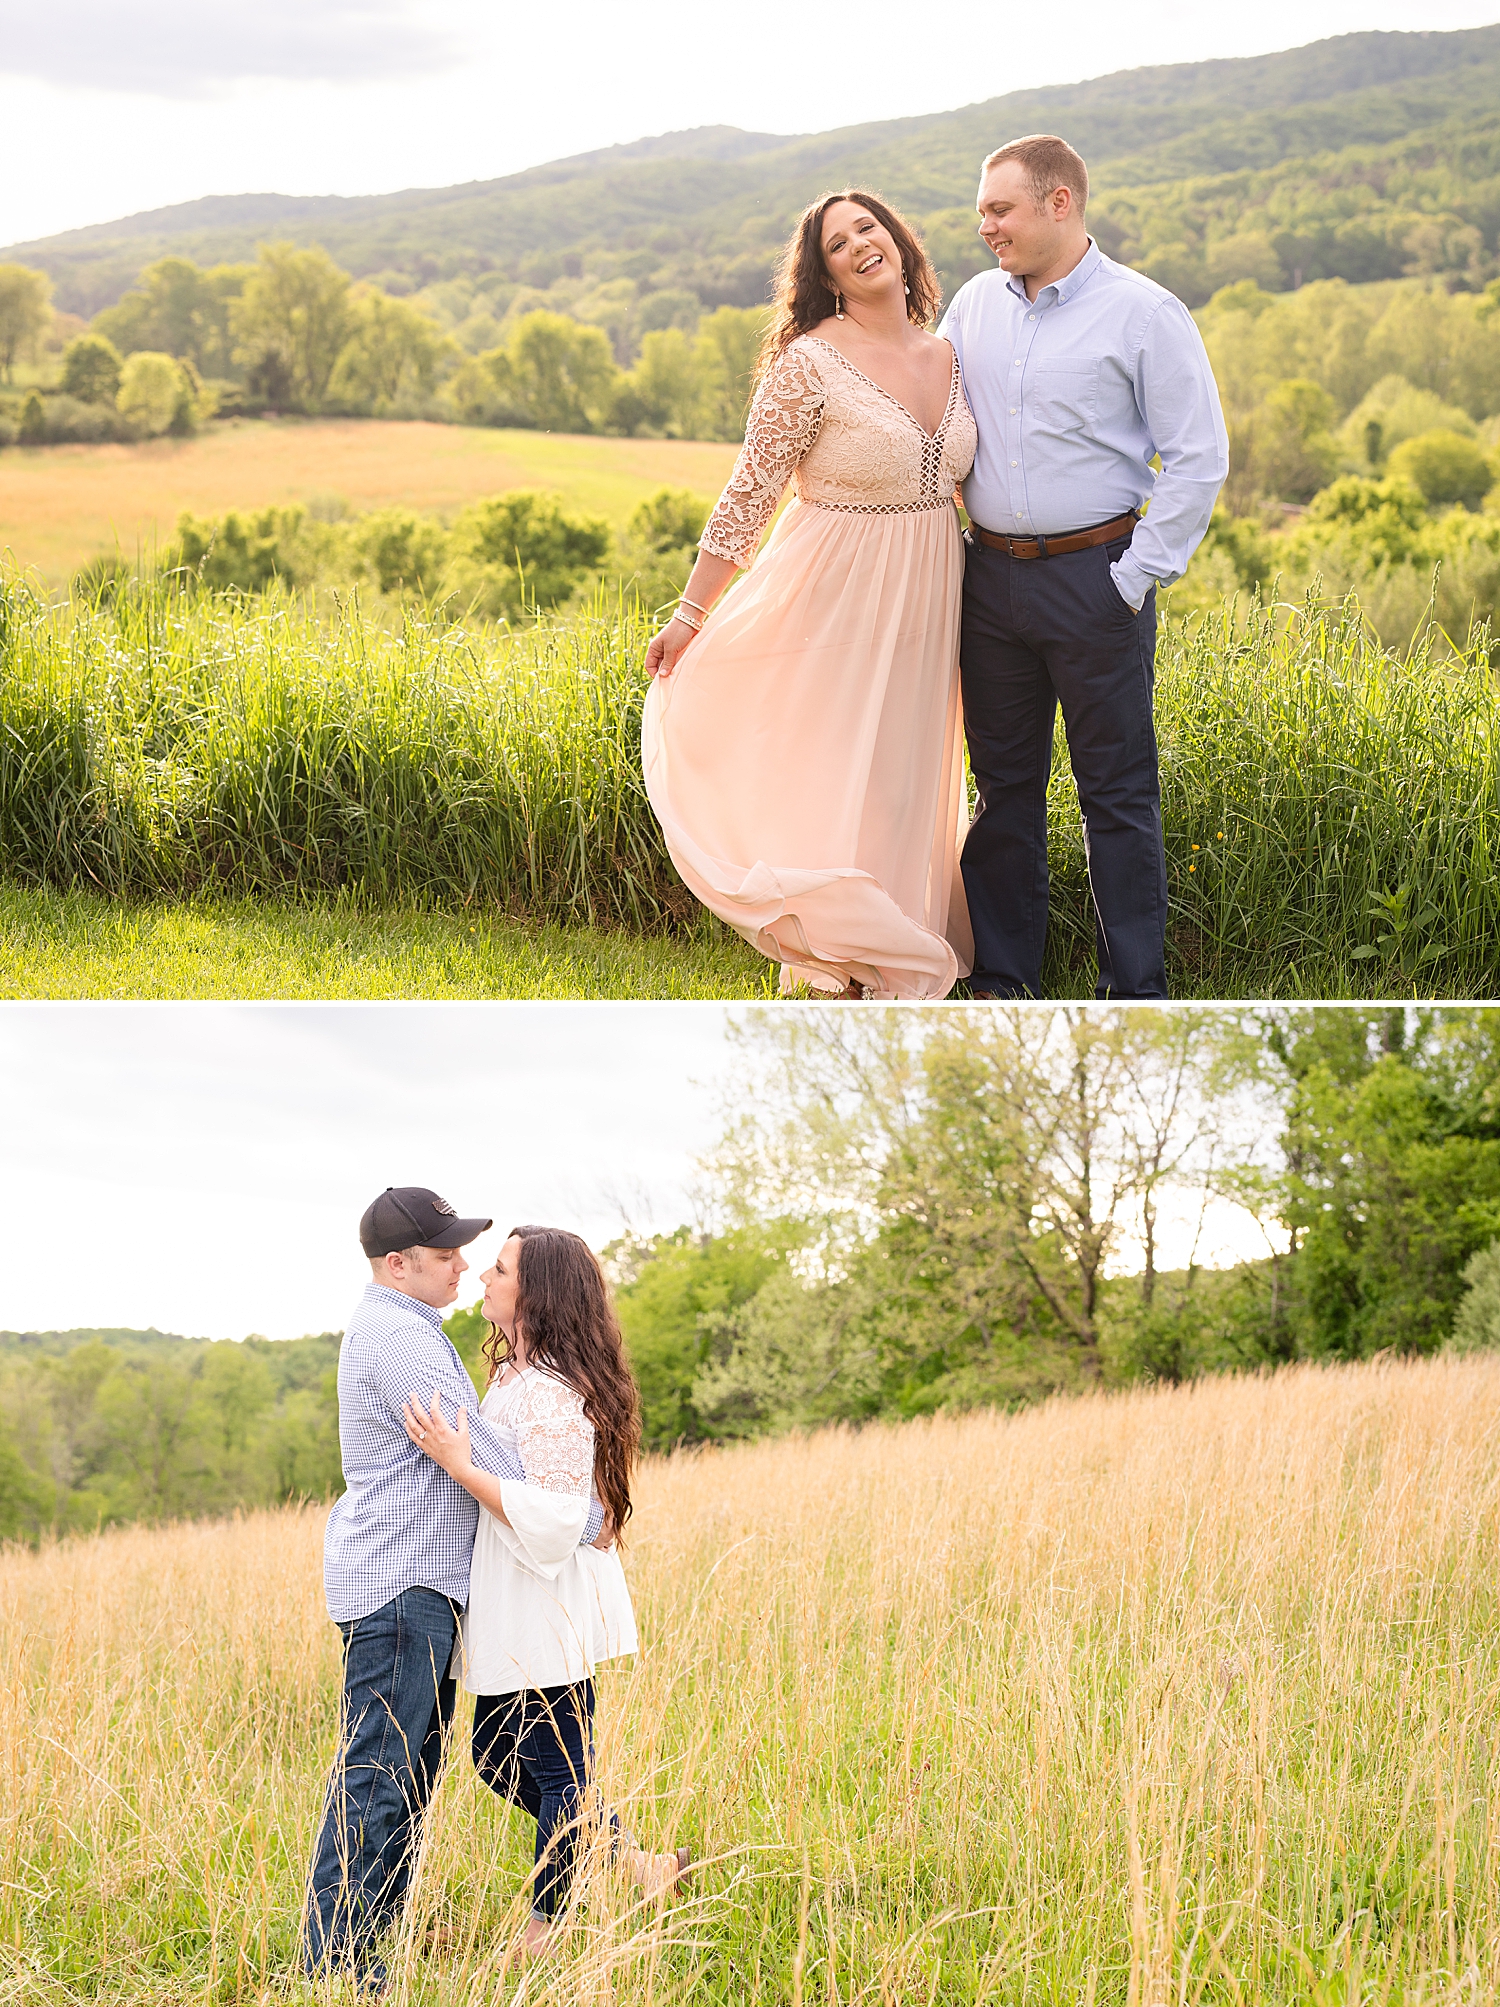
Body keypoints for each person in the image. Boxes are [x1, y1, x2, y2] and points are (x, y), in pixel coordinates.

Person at [641, 188, 977, 1001]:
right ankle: (843, 955)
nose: (862, 244)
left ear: (897, 239)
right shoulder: (809, 362)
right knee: (838, 768)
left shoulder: (951, 354)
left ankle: (897, 936)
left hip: (935, 593)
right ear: (823, 274)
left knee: (903, 772)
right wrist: (691, 614)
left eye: (869, 227)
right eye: (838, 243)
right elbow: (749, 493)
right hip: (834, 591)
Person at [939, 133, 1229, 1000]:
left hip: (1095, 580)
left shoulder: (1146, 313)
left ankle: (1135, 990)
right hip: (987, 584)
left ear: (1059, 203)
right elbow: (933, 409)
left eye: (1000, 208)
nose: (983, 224)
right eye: (983, 208)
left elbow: (1200, 458)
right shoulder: (972, 305)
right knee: (1003, 794)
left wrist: (1132, 579)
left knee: (1117, 795)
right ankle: (1002, 982)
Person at [303, 1187, 608, 1997]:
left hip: (419, 1585)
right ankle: (341, 1961)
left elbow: (481, 1445)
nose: (463, 1267)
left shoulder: (415, 1330)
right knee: (383, 1771)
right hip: (403, 1584)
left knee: (404, 1772)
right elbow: (478, 1451)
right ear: (399, 1264)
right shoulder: (400, 1338)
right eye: (446, 1256)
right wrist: (578, 1515)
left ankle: (364, 1947)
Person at [403, 1224, 689, 1957]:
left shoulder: (555, 1392)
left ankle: (545, 1929)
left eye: (500, 1268)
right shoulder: (513, 1378)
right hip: (515, 1598)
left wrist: (461, 1465)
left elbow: (564, 1519)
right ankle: (639, 1864)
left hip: (550, 1601)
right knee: (497, 1754)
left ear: (535, 1292)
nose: (485, 1277)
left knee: (561, 1770)